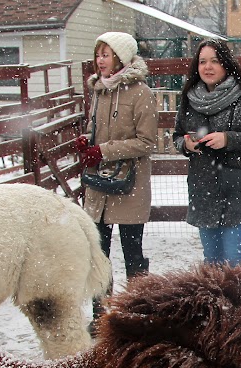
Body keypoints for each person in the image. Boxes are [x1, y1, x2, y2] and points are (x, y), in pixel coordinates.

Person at [76, 32, 158, 321]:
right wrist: (87, 141)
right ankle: (102, 316)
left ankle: (137, 313)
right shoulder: (99, 91)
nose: (100, 60)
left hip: (129, 186)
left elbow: (146, 143)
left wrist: (104, 151)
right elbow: (93, 127)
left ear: (120, 57)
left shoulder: (141, 94)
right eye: (98, 54)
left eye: (106, 54)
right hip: (100, 188)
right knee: (99, 256)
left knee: (132, 253)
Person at [173, 39, 241, 266]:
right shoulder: (189, 99)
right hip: (203, 188)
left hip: (236, 188)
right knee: (212, 259)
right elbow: (177, 136)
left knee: (235, 256)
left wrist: (228, 139)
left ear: (226, 64)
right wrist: (186, 144)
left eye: (214, 61)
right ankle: (217, 302)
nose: (208, 67)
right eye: (203, 62)